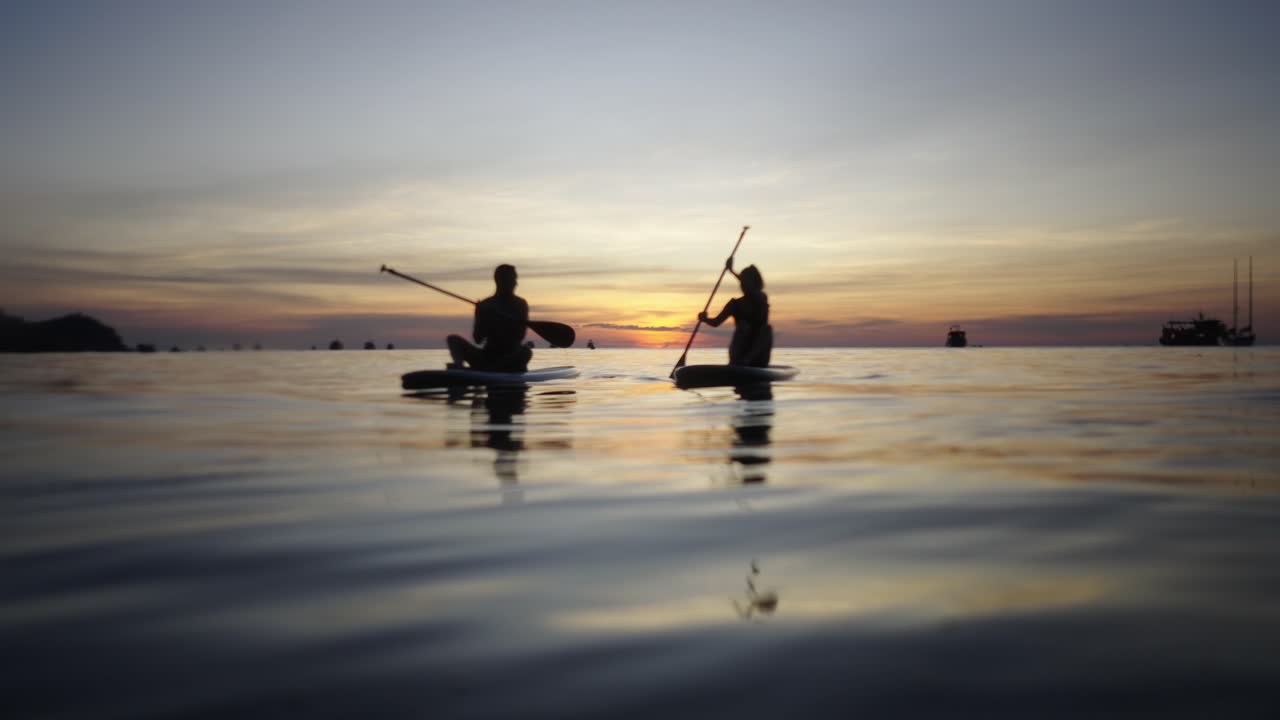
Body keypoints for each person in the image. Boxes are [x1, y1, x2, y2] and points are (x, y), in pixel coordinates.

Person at [447, 264, 532, 372]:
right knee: (453, 339)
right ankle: (458, 367)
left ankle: (489, 369)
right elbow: (478, 339)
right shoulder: (485, 305)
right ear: (500, 281)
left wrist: (500, 321)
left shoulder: (520, 304)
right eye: (512, 279)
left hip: (510, 357)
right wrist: (482, 316)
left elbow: (520, 335)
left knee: (526, 352)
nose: (516, 283)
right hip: (488, 356)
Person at [698, 258, 772, 367]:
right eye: (742, 282)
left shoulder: (761, 298)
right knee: (743, 326)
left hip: (758, 356)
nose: (743, 285)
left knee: (766, 330)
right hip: (739, 354)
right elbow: (715, 322)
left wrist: (732, 271)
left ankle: (747, 360)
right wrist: (704, 319)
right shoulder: (734, 304)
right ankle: (741, 362)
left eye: (746, 281)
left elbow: (753, 291)